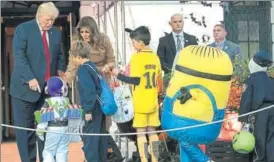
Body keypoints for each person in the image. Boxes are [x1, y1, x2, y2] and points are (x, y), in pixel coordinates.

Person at [10, 2, 65, 162]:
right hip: (24, 91)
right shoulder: (23, 29)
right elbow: (19, 57)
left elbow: (60, 55)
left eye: (53, 20)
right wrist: (30, 78)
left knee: (46, 130)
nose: (51, 23)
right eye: (48, 19)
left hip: (47, 93)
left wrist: (61, 74)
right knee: (26, 132)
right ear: (39, 15)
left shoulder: (55, 33)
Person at [63, 16, 123, 161]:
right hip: (85, 84)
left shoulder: (103, 40)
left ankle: (103, 155)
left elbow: (112, 60)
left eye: (87, 32)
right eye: (82, 32)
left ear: (93, 31)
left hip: (102, 85)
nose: (84, 35)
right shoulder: (76, 44)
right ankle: (99, 155)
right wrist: (64, 83)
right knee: (90, 126)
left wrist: (105, 68)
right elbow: (71, 66)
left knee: (100, 126)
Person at [112, 26, 162, 162]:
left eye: (133, 42)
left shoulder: (136, 58)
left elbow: (135, 80)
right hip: (152, 100)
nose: (133, 45)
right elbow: (158, 78)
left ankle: (144, 159)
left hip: (140, 101)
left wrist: (118, 75)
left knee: (140, 132)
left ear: (140, 42)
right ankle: (155, 159)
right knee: (152, 131)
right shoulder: (155, 57)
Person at [69, 40, 108, 162]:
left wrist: (88, 111)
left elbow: (89, 91)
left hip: (91, 109)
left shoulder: (83, 70)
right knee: (99, 141)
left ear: (77, 56)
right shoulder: (92, 66)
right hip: (99, 108)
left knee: (90, 142)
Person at [238, 50, 274, 162]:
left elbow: (246, 100)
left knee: (259, 139)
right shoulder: (271, 80)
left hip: (259, 113)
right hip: (272, 110)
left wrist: (243, 119)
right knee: (271, 138)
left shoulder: (251, 79)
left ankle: (259, 159)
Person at [35, 77, 80, 162]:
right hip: (65, 129)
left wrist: (40, 132)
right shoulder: (67, 101)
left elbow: (43, 119)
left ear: (47, 89)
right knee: (62, 151)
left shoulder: (48, 102)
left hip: (52, 130)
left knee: (48, 152)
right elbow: (74, 116)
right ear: (63, 89)